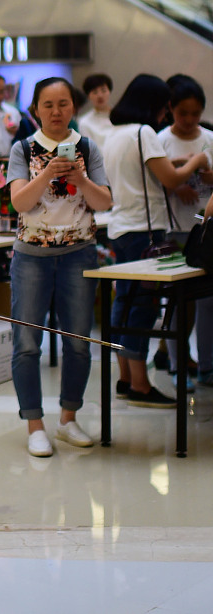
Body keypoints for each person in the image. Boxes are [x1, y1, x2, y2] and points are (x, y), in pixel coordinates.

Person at [7, 78, 112, 457]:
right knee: (27, 345)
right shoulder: (22, 148)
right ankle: (35, 425)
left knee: (79, 343)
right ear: (36, 108)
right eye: (48, 104)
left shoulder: (88, 147)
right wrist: (48, 173)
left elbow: (103, 202)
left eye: (63, 104)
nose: (56, 112)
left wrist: (80, 178)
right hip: (31, 257)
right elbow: (20, 203)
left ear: (73, 108)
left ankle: (68, 419)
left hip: (79, 255)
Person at [104, 74, 210, 408]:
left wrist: (178, 162)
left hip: (120, 228)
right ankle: (141, 385)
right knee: (142, 308)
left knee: (123, 303)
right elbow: (171, 178)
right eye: (164, 106)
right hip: (145, 232)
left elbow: (144, 171)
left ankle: (125, 378)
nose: (165, 113)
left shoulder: (114, 134)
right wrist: (197, 160)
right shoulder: (144, 132)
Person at [157, 75, 213, 384]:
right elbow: (157, 180)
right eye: (183, 114)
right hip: (176, 230)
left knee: (208, 301)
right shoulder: (162, 139)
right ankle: (179, 366)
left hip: (206, 231)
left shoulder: (209, 138)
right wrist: (176, 187)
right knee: (181, 302)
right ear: (170, 110)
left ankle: (207, 364)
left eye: (195, 113)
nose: (190, 120)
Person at [78, 73, 115, 152]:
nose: (100, 95)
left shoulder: (121, 116)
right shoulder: (85, 122)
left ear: (109, 91)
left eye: (103, 90)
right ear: (88, 96)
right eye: (95, 92)